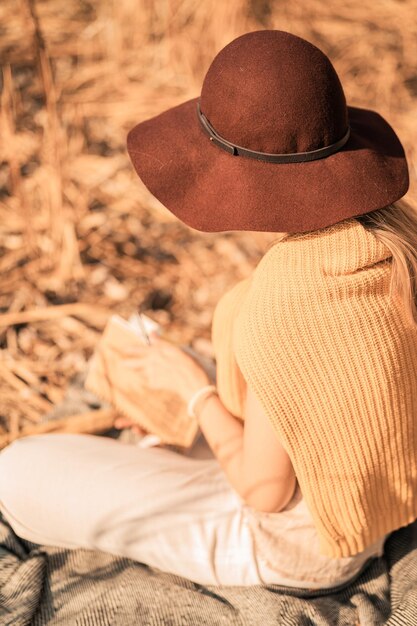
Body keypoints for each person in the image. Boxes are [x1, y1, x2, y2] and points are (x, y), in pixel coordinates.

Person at [0, 29, 416, 590]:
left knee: (16, 473)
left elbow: (265, 493)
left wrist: (195, 395)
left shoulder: (290, 303)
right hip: (372, 498)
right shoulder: (394, 240)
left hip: (302, 547)